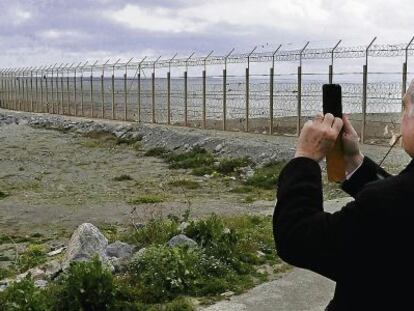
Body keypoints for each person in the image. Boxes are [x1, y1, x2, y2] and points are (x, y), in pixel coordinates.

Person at [273, 80, 414, 311]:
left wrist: (305, 158)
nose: (402, 117)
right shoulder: (395, 201)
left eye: (405, 106)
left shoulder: (386, 204)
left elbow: (297, 238)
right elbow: (399, 203)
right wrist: (354, 162)